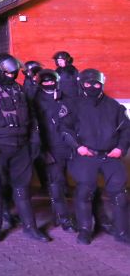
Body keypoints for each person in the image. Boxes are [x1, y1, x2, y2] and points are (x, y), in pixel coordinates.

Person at [0, 53, 49, 242]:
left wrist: (35, 138)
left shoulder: (17, 89)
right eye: (9, 73)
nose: (13, 76)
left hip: (21, 145)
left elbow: (32, 115)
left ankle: (31, 227)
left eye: (14, 74)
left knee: (22, 188)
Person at [61, 69, 130, 245]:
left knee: (120, 195)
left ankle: (122, 231)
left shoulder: (114, 106)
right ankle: (85, 230)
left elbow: (126, 130)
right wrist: (78, 147)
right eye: (88, 83)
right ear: (81, 83)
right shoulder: (72, 105)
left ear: (102, 84)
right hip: (86, 155)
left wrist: (121, 148)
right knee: (84, 192)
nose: (92, 86)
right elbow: (64, 129)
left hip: (111, 155)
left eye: (96, 83)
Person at [32, 69, 76, 232]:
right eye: (46, 82)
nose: (49, 84)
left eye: (52, 82)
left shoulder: (66, 98)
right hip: (51, 148)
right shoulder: (35, 101)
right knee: (56, 185)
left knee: (79, 184)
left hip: (70, 147)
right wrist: (43, 150)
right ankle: (64, 218)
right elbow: (36, 129)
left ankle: (65, 216)